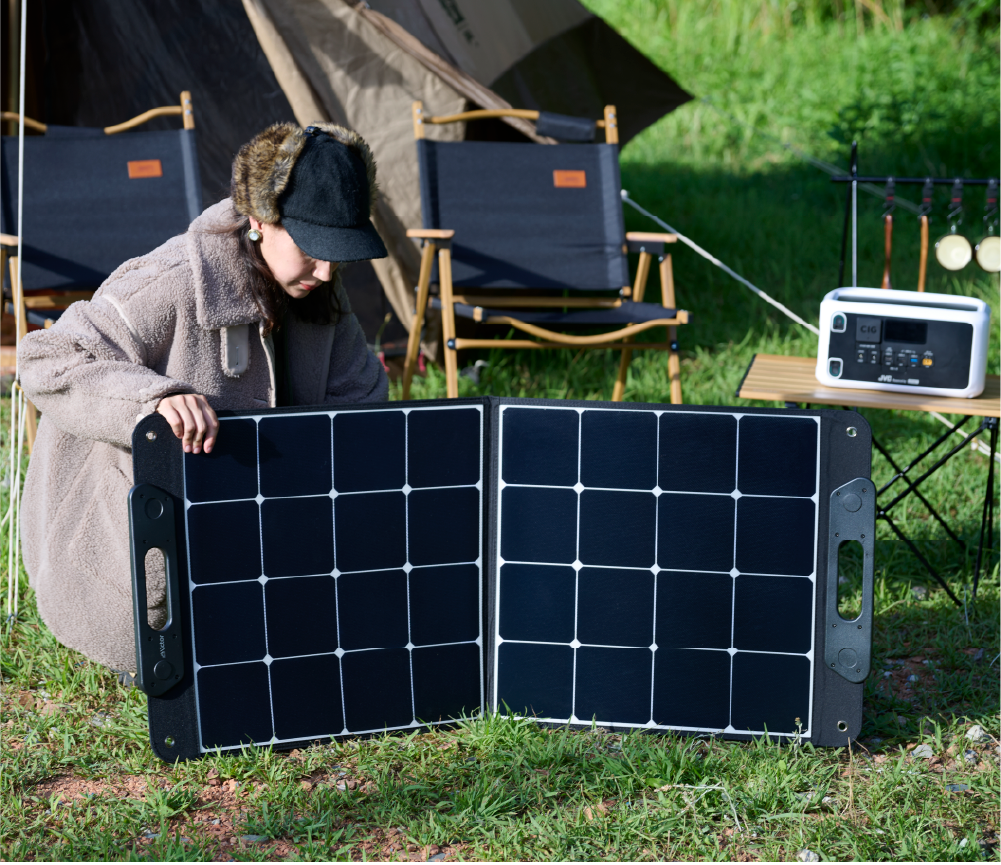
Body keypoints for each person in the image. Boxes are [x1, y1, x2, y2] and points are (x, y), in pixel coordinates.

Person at [17, 122, 389, 674]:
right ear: (262, 221)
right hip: (132, 561)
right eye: (315, 247)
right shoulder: (170, 282)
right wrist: (151, 401)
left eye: (340, 249)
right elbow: (44, 358)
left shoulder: (318, 290)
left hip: (253, 539)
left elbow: (363, 406)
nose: (329, 270)